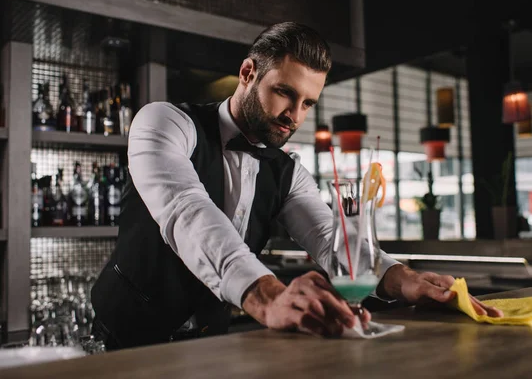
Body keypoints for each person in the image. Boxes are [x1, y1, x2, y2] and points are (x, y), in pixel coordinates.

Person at [90, 21, 501, 351]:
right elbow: (187, 209)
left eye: (308, 103)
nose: (295, 116)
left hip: (207, 345)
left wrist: (400, 277)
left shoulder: (289, 171)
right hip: (125, 339)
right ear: (248, 73)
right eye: (285, 93)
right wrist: (266, 294)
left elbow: (329, 237)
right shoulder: (164, 122)